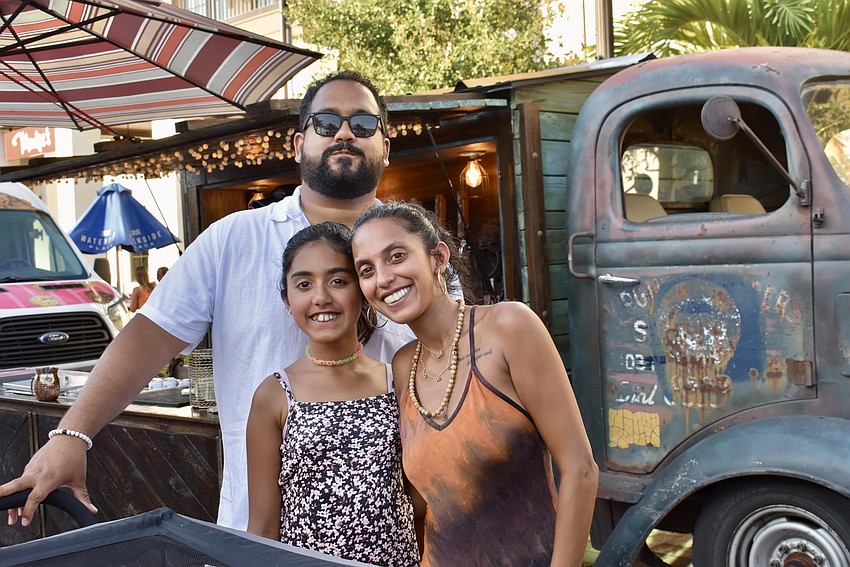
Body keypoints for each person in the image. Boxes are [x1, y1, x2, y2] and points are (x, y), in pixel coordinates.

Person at [0, 70, 415, 531]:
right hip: (262, 532)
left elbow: (450, 357)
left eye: (362, 123)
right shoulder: (234, 238)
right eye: (327, 122)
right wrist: (71, 434)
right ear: (299, 144)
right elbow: (149, 336)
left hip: (400, 527)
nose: (344, 133)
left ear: (385, 147)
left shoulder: (412, 249)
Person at [350, 201, 599, 567]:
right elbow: (424, 503)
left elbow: (580, 469)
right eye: (367, 270)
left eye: (397, 256)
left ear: (439, 257)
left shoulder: (508, 328)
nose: (383, 278)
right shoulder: (403, 365)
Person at [246, 222, 418, 566]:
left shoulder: (396, 380)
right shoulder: (275, 395)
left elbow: (421, 500)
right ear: (287, 300)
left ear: (362, 291)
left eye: (338, 281)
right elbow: (263, 527)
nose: (321, 297)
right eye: (304, 284)